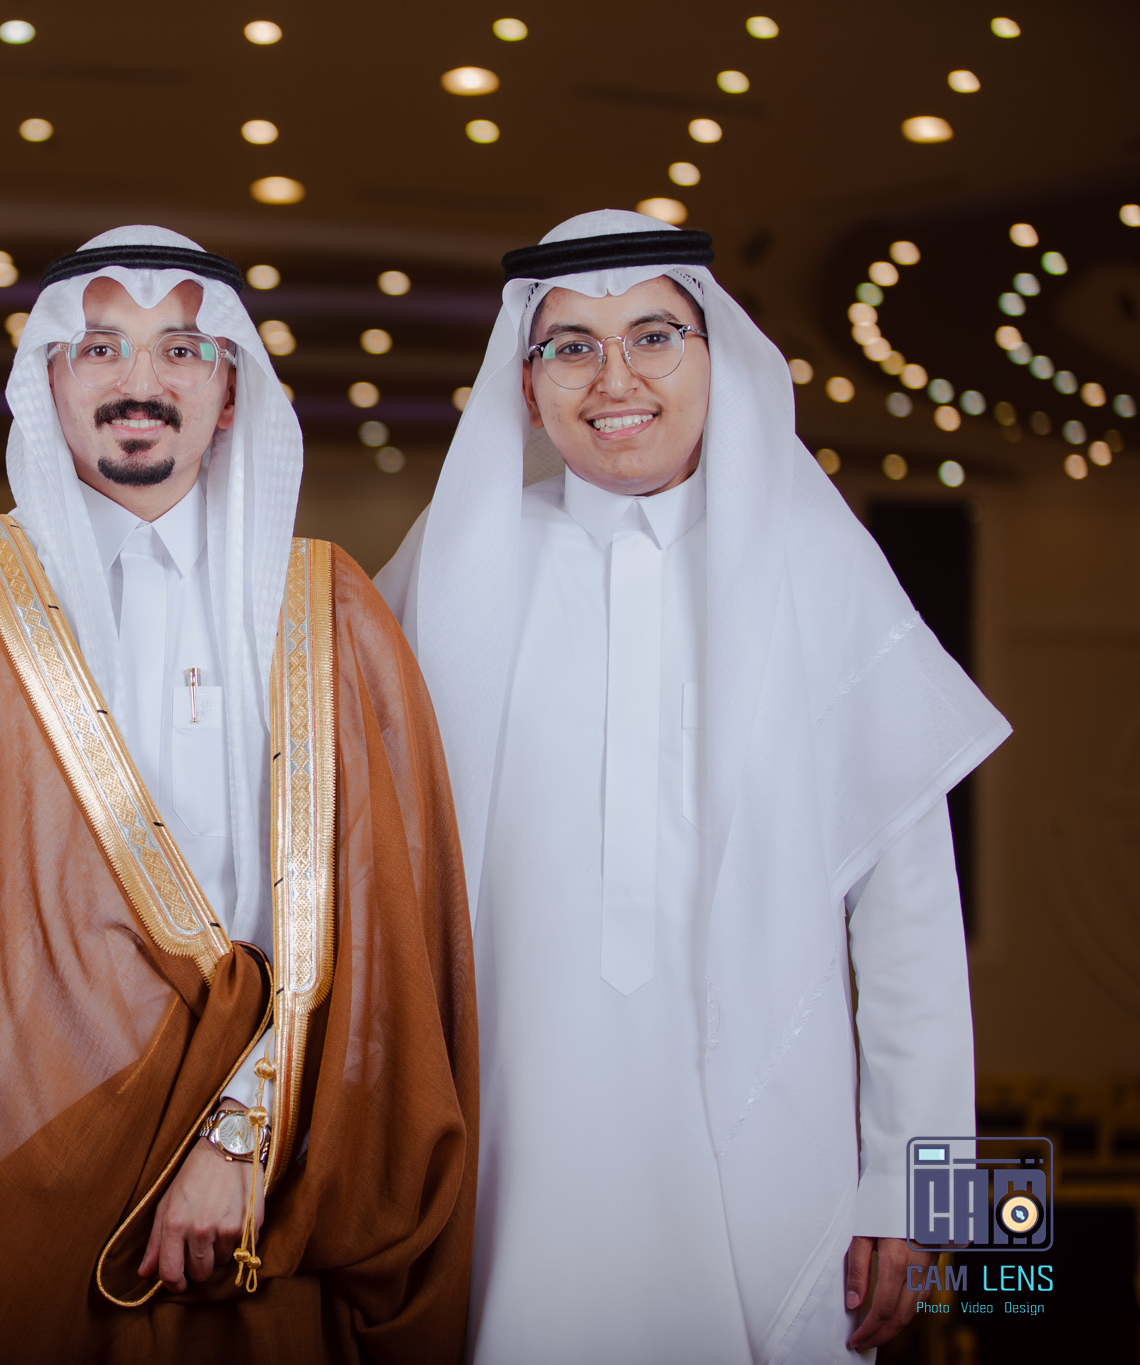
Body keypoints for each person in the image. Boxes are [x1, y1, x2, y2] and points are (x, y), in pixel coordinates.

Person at [0, 227, 478, 1362]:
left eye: (180, 351)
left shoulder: (330, 609)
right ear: (47, 381)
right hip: (1, 1154)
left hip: (257, 1171)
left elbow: (385, 928)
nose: (138, 381)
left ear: (231, 393)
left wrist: (244, 1139)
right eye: (99, 348)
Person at [377, 209, 1010, 1363]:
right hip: (508, 1142)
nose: (613, 378)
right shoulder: (460, 560)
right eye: (570, 345)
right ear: (525, 384)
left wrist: (926, 1196)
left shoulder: (815, 567)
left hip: (769, 1150)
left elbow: (911, 915)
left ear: (714, 357)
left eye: (652, 336)